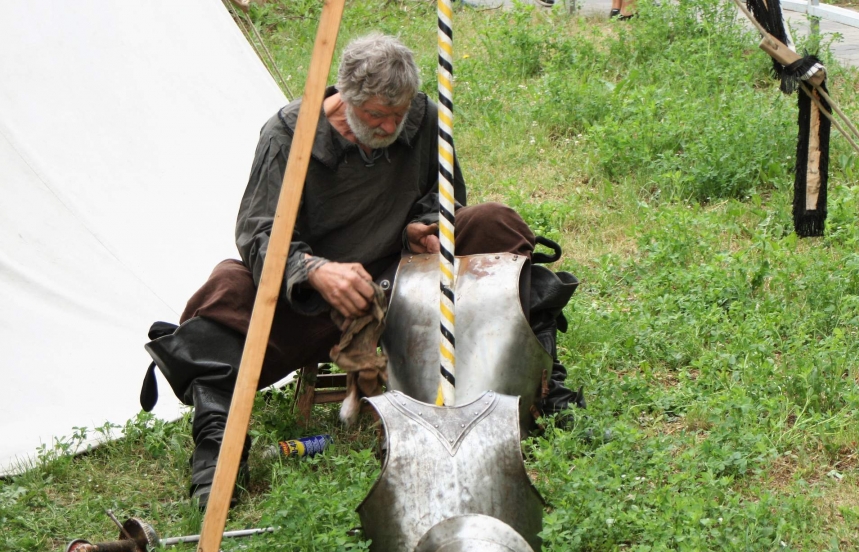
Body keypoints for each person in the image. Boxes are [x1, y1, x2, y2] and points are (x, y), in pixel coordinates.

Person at [140, 33, 583, 508]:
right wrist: (314, 270)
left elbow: (446, 197)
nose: (390, 125)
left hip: (406, 284)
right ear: (346, 97)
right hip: (315, 303)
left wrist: (424, 227)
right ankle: (218, 455)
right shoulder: (288, 135)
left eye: (398, 114)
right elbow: (258, 231)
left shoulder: (424, 120)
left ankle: (544, 391)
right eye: (376, 115)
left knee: (494, 222)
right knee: (226, 287)